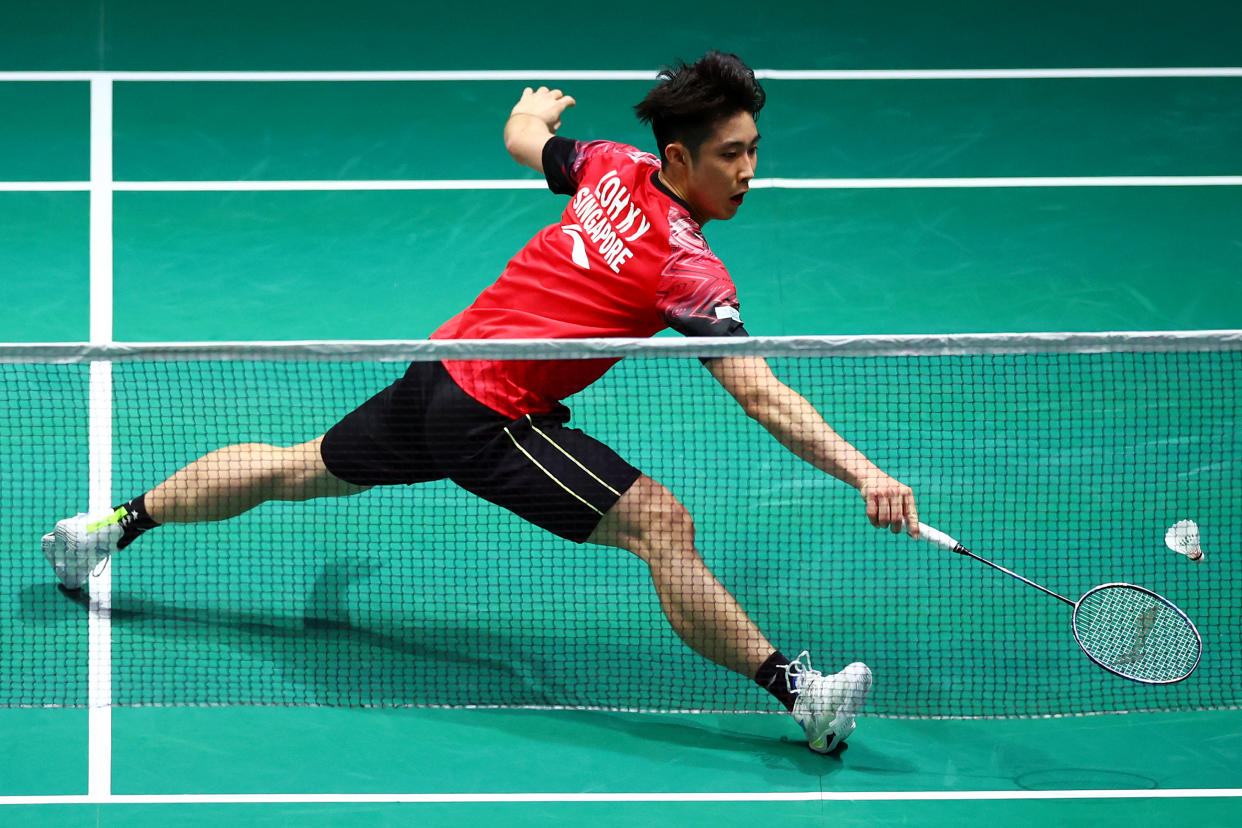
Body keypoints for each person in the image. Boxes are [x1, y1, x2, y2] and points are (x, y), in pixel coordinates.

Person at [43, 51, 918, 754]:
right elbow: (758, 393)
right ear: (680, 157)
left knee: (292, 466)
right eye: (734, 154)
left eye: (756, 149)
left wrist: (539, 106)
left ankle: (106, 529)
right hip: (490, 416)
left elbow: (521, 137)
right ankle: (804, 698)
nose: (750, 171)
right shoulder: (688, 266)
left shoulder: (610, 166)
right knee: (662, 525)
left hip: (442, 371)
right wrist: (867, 474)